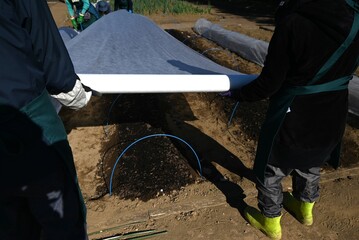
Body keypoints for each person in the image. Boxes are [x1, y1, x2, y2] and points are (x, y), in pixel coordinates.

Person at [226, 0, 359, 239]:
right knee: (312, 158)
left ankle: (271, 222)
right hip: (334, 108)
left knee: (273, 167)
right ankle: (305, 209)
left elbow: (269, 83)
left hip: (297, 109)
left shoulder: (293, 21)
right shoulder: (355, 18)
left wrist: (238, 94)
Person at [0, 0, 92, 239]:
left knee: (9, 222)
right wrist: (75, 93)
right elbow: (46, 45)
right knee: (61, 216)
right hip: (25, 110)